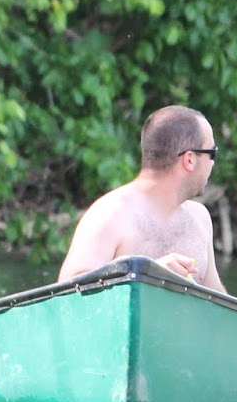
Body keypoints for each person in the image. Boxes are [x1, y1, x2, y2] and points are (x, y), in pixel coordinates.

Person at [57, 105, 226, 292]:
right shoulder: (111, 213)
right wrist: (145, 274)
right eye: (212, 153)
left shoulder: (200, 217)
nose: (213, 163)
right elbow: (69, 291)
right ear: (189, 160)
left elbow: (219, 301)